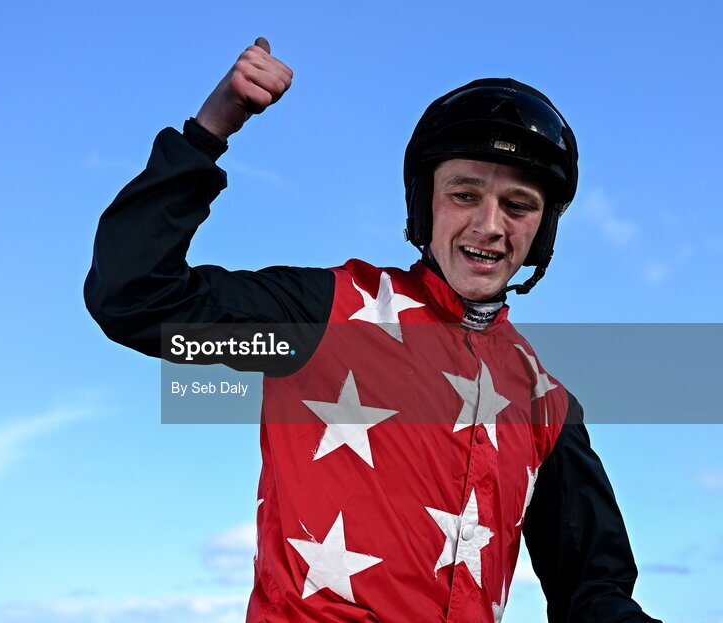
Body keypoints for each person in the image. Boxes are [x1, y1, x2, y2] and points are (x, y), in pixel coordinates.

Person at [84, 37, 662, 623]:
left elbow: (593, 589)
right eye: (465, 194)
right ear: (424, 204)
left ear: (541, 230)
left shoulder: (548, 403)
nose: (490, 226)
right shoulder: (323, 313)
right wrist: (211, 129)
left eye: (518, 206)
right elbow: (135, 297)